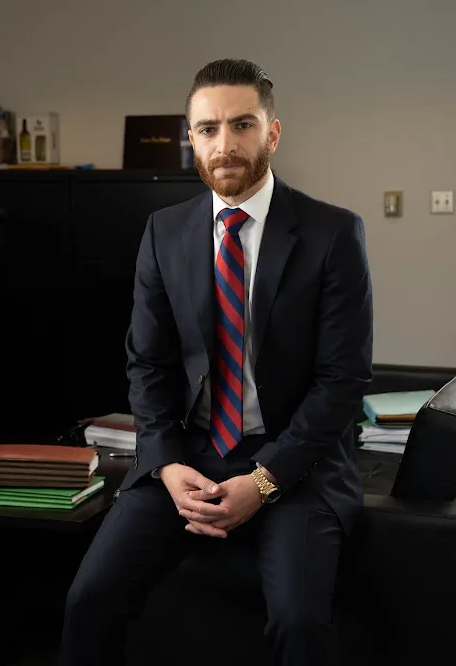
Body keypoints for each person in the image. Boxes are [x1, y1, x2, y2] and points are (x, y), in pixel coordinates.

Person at [59, 58, 373, 666]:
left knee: (299, 624)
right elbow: (147, 364)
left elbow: (342, 381)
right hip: (188, 454)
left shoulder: (332, 233)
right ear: (191, 138)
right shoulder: (164, 231)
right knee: (88, 599)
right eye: (208, 128)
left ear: (272, 133)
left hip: (295, 461)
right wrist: (166, 463)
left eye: (242, 124)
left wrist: (263, 481)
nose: (224, 144)